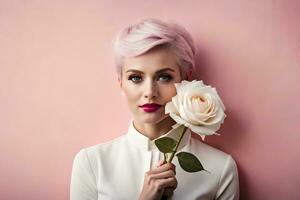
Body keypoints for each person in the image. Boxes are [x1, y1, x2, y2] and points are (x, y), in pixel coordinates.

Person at [70, 18, 239, 200]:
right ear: (120, 83)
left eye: (164, 77)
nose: (150, 92)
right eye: (135, 78)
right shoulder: (92, 163)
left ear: (185, 79)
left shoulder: (220, 169)